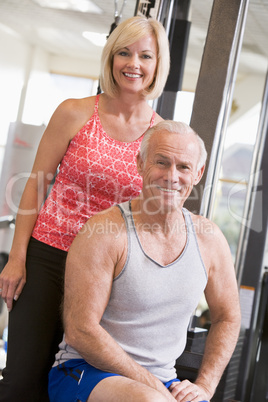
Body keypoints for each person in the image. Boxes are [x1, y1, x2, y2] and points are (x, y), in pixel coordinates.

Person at [0, 16, 170, 402]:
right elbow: (36, 184)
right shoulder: (75, 112)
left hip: (107, 274)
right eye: (124, 52)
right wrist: (17, 257)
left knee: (75, 380)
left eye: (145, 55)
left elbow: (154, 212)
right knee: (23, 378)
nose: (134, 63)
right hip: (48, 257)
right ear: (111, 58)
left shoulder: (161, 136)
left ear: (158, 65)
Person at [49, 120, 241, 402]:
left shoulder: (209, 238)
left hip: (161, 382)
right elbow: (81, 330)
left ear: (198, 173)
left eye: (184, 167)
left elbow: (228, 317)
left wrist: (204, 387)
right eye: (161, 162)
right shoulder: (104, 232)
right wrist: (153, 386)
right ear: (140, 164)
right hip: (84, 371)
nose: (171, 176)